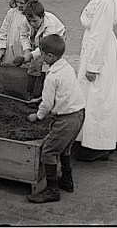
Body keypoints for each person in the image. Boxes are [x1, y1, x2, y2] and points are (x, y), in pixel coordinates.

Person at [74, 0, 117, 162]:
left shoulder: (104, 0)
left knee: (98, 99)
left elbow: (100, 35)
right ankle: (88, 140)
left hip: (100, 54)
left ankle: (99, 145)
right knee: (91, 97)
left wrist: (93, 67)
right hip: (95, 49)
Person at [25, 34, 86, 204]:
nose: (41, 56)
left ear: (49, 56)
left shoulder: (51, 77)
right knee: (65, 148)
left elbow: (47, 104)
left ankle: (52, 191)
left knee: (49, 152)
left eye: (42, 54)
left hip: (66, 119)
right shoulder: (66, 67)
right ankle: (67, 181)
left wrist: (37, 116)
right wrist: (40, 99)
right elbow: (63, 91)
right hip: (79, 114)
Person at [12, 0, 66, 99]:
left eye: (35, 21)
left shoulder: (50, 23)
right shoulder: (26, 20)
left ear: (42, 16)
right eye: (30, 21)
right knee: (35, 63)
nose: (32, 24)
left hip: (55, 40)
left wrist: (30, 56)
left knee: (41, 63)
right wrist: (27, 51)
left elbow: (44, 47)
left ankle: (40, 93)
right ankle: (30, 91)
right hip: (40, 40)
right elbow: (23, 36)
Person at [0, 0, 36, 65]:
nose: (19, 5)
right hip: (10, 49)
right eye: (17, 2)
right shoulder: (11, 13)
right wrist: (2, 47)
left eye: (22, 3)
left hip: (24, 50)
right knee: (10, 67)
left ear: (30, 2)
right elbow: (4, 31)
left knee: (23, 68)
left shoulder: (32, 16)